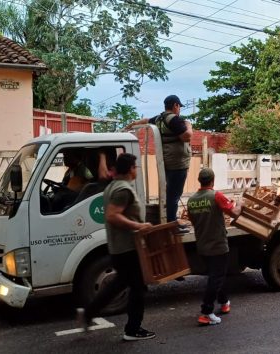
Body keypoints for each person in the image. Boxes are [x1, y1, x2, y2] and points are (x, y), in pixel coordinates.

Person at [76, 153, 156, 341]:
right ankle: (132, 330)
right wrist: (139, 226)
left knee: (119, 284)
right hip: (128, 248)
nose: (136, 170)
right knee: (138, 288)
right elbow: (113, 215)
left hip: (119, 248)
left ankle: (88, 313)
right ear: (130, 169)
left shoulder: (112, 186)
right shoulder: (122, 190)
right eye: (135, 167)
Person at [127, 95, 193, 233]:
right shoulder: (174, 119)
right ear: (175, 105)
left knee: (171, 194)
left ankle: (172, 221)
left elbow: (146, 120)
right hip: (177, 163)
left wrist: (133, 124)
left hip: (168, 161)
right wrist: (188, 125)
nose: (179, 109)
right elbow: (187, 136)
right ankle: (172, 226)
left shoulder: (159, 119)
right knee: (174, 195)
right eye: (179, 106)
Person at [186, 168, 241, 326]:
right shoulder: (216, 195)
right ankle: (206, 312)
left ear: (199, 180)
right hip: (217, 244)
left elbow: (192, 220)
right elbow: (234, 213)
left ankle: (224, 303)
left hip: (202, 244)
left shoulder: (192, 200)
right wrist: (240, 203)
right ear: (213, 180)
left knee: (218, 274)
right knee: (216, 277)